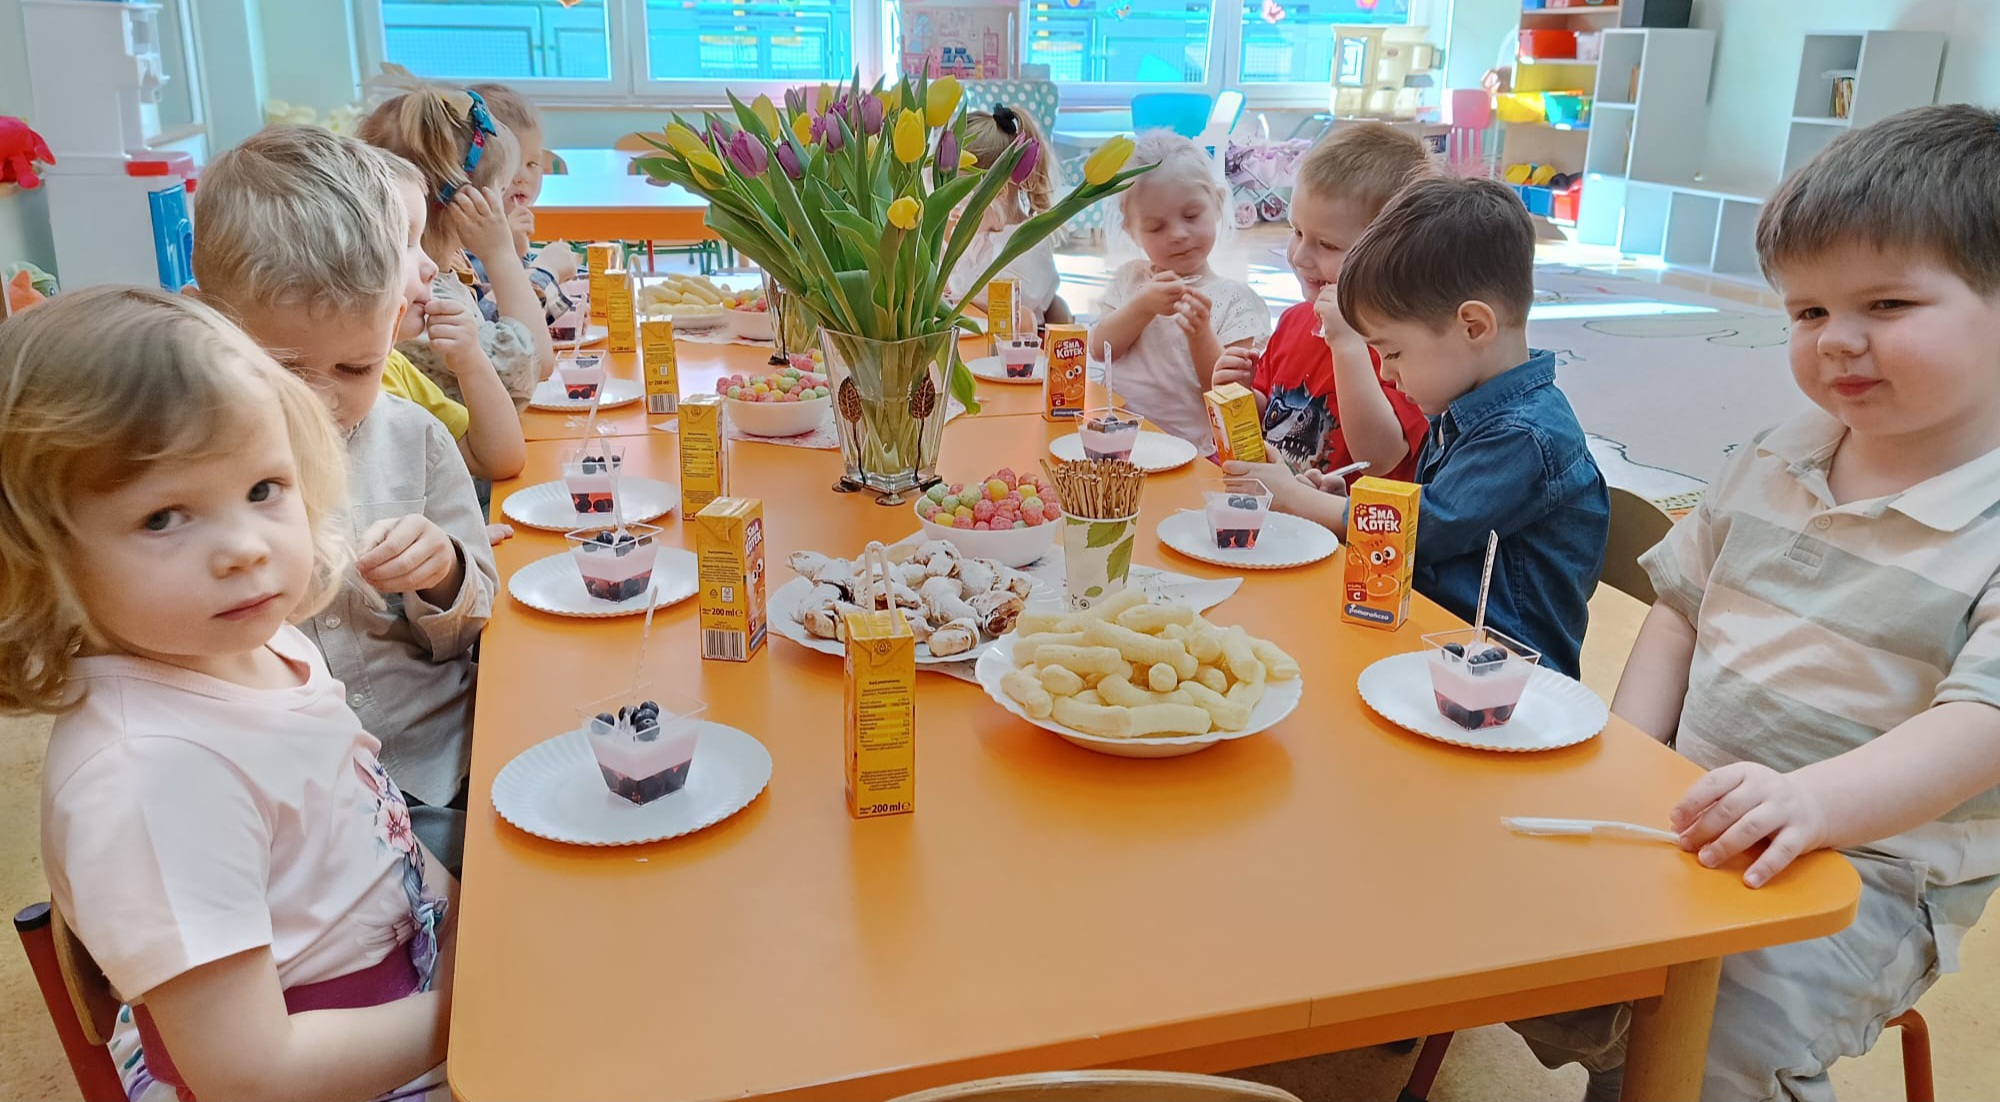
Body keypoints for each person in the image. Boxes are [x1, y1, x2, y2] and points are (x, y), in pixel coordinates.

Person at [1512, 103, 2000, 1102]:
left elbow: (1981, 722)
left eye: (1887, 305)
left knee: (1709, 1043)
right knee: (1520, 922)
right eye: (1807, 312)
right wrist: (1627, 753)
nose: (1836, 342)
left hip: (1868, 865)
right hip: (1687, 807)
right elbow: (1679, 607)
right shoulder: (1779, 453)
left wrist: (1814, 803)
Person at [0, 287, 455, 1102]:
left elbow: (379, 828)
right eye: (163, 517)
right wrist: (479, 1006)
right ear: (39, 561)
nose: (245, 548)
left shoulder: (255, 642)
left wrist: (477, 925)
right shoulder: (150, 779)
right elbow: (253, 1074)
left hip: (400, 990)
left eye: (263, 489)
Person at [192, 124, 498, 874]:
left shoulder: (415, 439)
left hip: (437, 763)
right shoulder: (183, 473)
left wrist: (444, 572)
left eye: (358, 367)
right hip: (288, 808)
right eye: (286, 368)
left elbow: (472, 623)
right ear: (207, 325)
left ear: (394, 323)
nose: (323, 400)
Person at [1235, 175, 1606, 677]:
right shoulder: (1461, 404)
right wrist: (1340, 499)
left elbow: (1422, 531)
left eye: (1392, 353)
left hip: (1501, 684)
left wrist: (1301, 501)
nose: (1387, 374)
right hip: (1430, 645)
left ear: (1473, 326)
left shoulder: (1525, 436)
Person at [1212, 122, 1431, 481]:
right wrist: (1242, 396)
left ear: (1399, 256)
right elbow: (1273, 422)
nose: (1300, 256)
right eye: (1297, 231)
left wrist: (1347, 345)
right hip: (1276, 505)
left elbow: (1378, 458)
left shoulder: (1406, 349)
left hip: (1346, 517)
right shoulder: (1295, 321)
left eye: (1327, 245)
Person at [359, 85, 555, 406]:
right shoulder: (422, 302)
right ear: (468, 203)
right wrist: (501, 253)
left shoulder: (442, 275)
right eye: (500, 191)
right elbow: (535, 365)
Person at [1088, 129, 1270, 452]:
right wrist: (1142, 305)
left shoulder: (1237, 301)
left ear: (1217, 204)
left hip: (1191, 453)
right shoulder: (1130, 280)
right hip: (1119, 443)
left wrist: (1200, 334)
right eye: (1156, 226)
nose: (1178, 234)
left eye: (1191, 216)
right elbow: (1101, 349)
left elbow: (1228, 395)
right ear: (1132, 231)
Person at [468, 82, 578, 327]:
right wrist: (506, 250)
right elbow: (488, 316)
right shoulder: (466, 231)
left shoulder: (511, 222)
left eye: (532, 164)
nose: (522, 177)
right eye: (511, 164)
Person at [945, 103, 1065, 327]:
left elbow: (990, 298)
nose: (953, 211)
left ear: (997, 191)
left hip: (1011, 348)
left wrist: (947, 282)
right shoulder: (981, 235)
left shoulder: (1027, 246)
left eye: (960, 201)